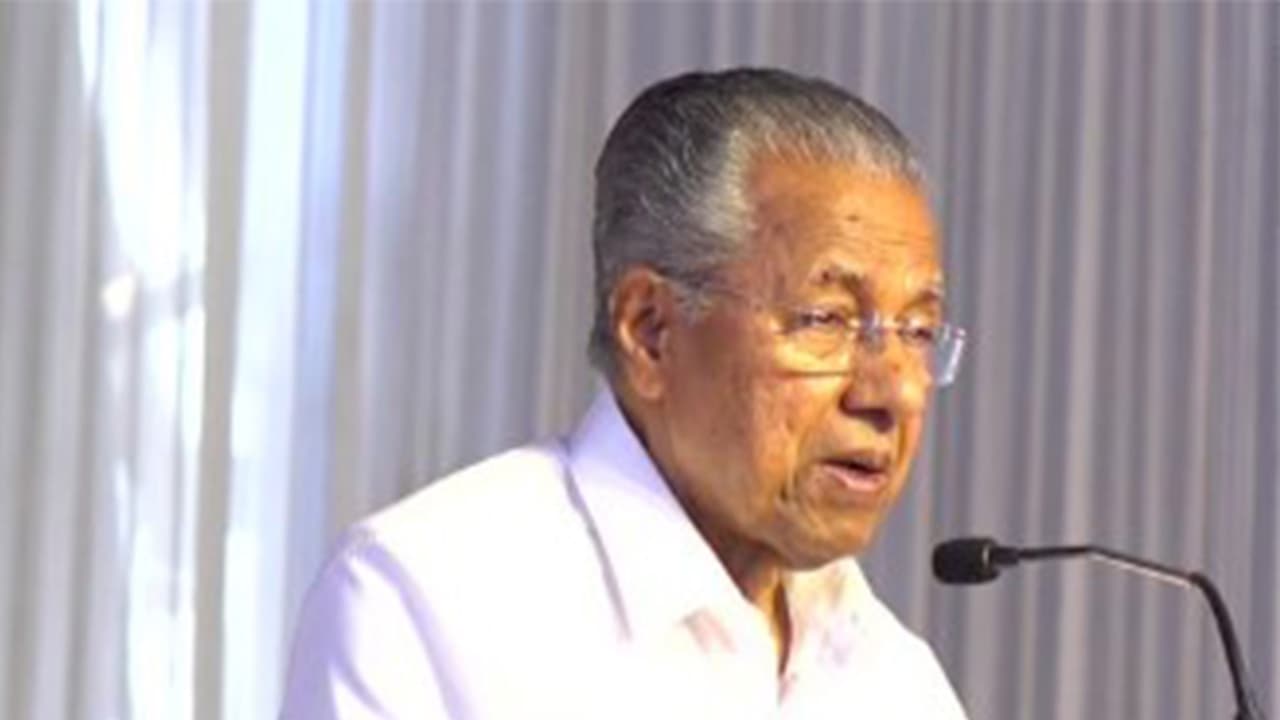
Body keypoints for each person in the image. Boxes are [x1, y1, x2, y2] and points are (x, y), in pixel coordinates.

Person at [281, 67, 970, 719]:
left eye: (918, 331)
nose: (893, 392)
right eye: (826, 320)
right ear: (650, 332)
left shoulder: (896, 678)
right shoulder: (424, 597)